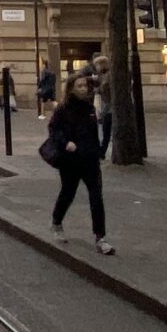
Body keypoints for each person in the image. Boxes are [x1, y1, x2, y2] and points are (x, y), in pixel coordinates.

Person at [43, 71, 113, 254]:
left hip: (89, 158)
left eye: (85, 86)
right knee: (68, 192)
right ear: (71, 89)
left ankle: (100, 237)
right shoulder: (63, 109)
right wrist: (66, 143)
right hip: (70, 160)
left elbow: (92, 133)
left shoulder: (89, 107)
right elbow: (54, 130)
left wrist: (97, 152)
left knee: (96, 196)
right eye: (79, 86)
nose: (83, 89)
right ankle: (56, 221)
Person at [92, 55, 115, 161]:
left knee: (106, 130)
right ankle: (101, 152)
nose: (96, 67)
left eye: (97, 65)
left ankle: (101, 152)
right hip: (106, 106)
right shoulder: (103, 76)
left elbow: (106, 91)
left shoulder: (108, 76)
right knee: (106, 131)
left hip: (110, 108)